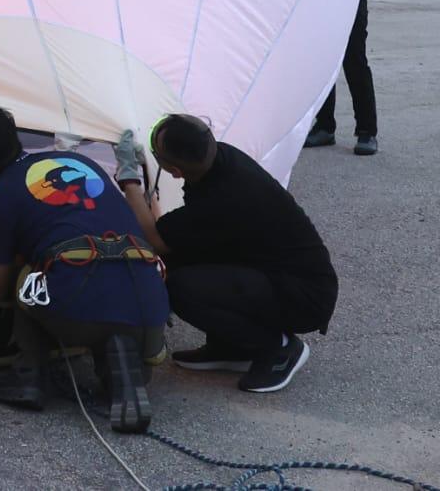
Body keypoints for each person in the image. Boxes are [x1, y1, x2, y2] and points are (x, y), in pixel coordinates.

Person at [0, 104, 167, 434]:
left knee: (27, 277)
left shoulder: (0, 198)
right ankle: (120, 363)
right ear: (14, 135)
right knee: (94, 276)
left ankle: (29, 377)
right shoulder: (81, 163)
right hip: (150, 307)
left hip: (80, 314)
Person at [113, 115, 337, 395]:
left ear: (175, 171)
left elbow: (155, 240)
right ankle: (232, 346)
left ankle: (277, 347)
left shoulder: (224, 199)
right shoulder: (221, 158)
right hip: (274, 269)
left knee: (179, 286)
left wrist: (129, 180)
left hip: (303, 294)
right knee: (176, 262)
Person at [308, 0, 381, 155]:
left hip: (351, 5)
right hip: (322, 2)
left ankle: (367, 131)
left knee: (355, 64)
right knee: (322, 67)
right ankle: (324, 127)